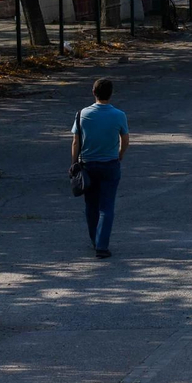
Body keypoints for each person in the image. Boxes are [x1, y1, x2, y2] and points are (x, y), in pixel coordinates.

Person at [71, 77, 128, 259]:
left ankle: (95, 240)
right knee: (107, 206)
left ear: (93, 92)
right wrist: (120, 153)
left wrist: (74, 163)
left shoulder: (82, 114)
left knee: (91, 204)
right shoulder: (119, 115)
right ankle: (102, 246)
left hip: (88, 164)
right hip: (110, 164)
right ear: (111, 94)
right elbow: (125, 139)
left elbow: (75, 141)